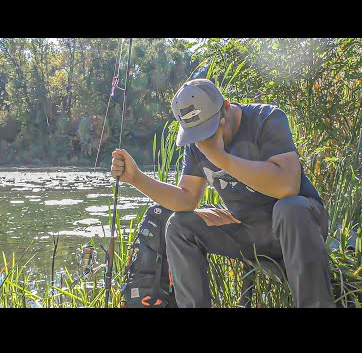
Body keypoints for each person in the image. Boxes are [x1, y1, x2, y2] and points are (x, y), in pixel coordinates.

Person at [111, 78, 336, 308]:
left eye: (209, 131)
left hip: (299, 226)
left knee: (289, 209)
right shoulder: (196, 143)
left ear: (226, 106)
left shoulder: (266, 118)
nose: (205, 141)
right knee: (178, 225)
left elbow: (287, 185)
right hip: (248, 229)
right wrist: (137, 178)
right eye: (197, 135)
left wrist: (220, 158)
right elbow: (187, 198)